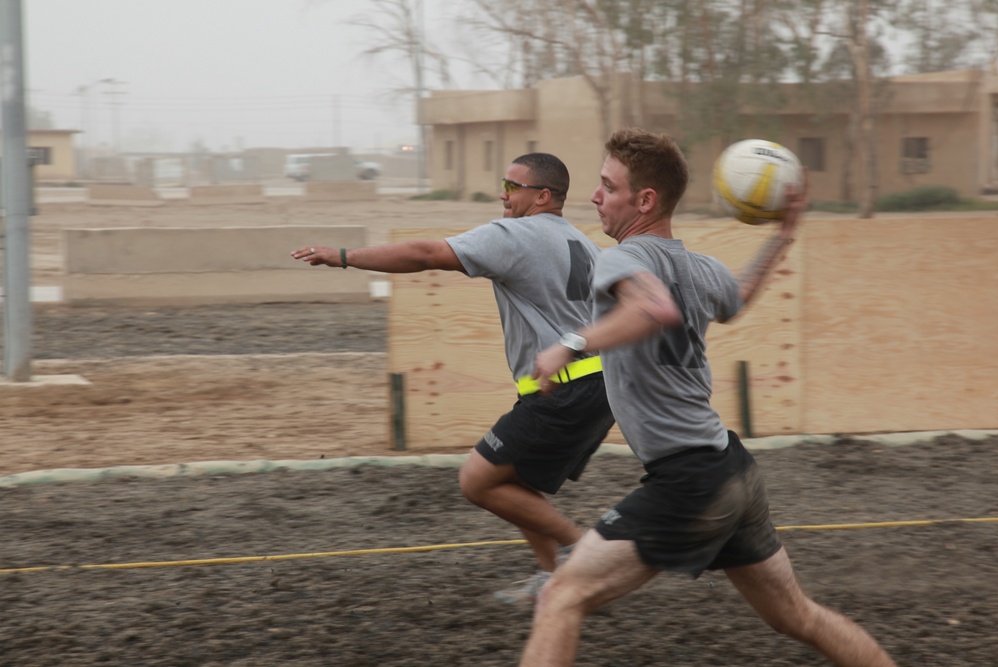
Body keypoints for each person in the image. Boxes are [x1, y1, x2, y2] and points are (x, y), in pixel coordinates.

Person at [521, 129, 897, 666]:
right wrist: (785, 233)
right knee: (797, 616)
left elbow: (653, 309)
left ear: (645, 201)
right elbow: (739, 296)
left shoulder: (621, 259)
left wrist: (570, 344)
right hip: (731, 470)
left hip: (688, 483)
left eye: (608, 186)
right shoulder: (698, 268)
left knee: (561, 595)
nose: (595, 196)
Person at [291, 153, 615, 604]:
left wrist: (343, 256)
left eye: (512, 185)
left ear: (542, 196)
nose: (502, 193)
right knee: (517, 486)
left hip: (564, 388)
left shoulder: (516, 234)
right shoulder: (581, 243)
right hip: (599, 384)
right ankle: (556, 577)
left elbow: (426, 254)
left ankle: (581, 552)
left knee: (477, 481)